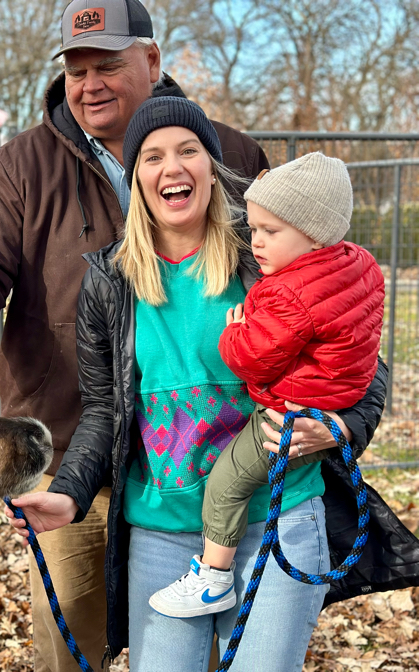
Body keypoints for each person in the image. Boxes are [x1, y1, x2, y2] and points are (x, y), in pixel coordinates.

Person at [0, 0, 395, 669]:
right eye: (77, 69)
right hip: (81, 449)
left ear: (152, 61)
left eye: (108, 64)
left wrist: (341, 423)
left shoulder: (238, 169)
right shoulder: (22, 171)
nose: (90, 83)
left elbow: (339, 321)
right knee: (72, 635)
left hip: (243, 478)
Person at [5, 98, 417, 671]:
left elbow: (363, 363)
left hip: (277, 518)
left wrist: (342, 426)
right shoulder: (109, 282)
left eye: (188, 150)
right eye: (152, 156)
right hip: (163, 532)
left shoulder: (266, 255)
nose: (171, 167)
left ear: (212, 166)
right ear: (137, 178)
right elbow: (104, 411)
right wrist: (70, 493)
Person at [148, 152, 385, 619]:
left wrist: (235, 328)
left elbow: (248, 360)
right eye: (253, 229)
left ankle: (213, 578)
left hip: (287, 415)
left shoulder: (289, 290)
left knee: (227, 480)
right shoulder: (359, 264)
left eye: (269, 232)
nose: (255, 242)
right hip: (334, 401)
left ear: (314, 232)